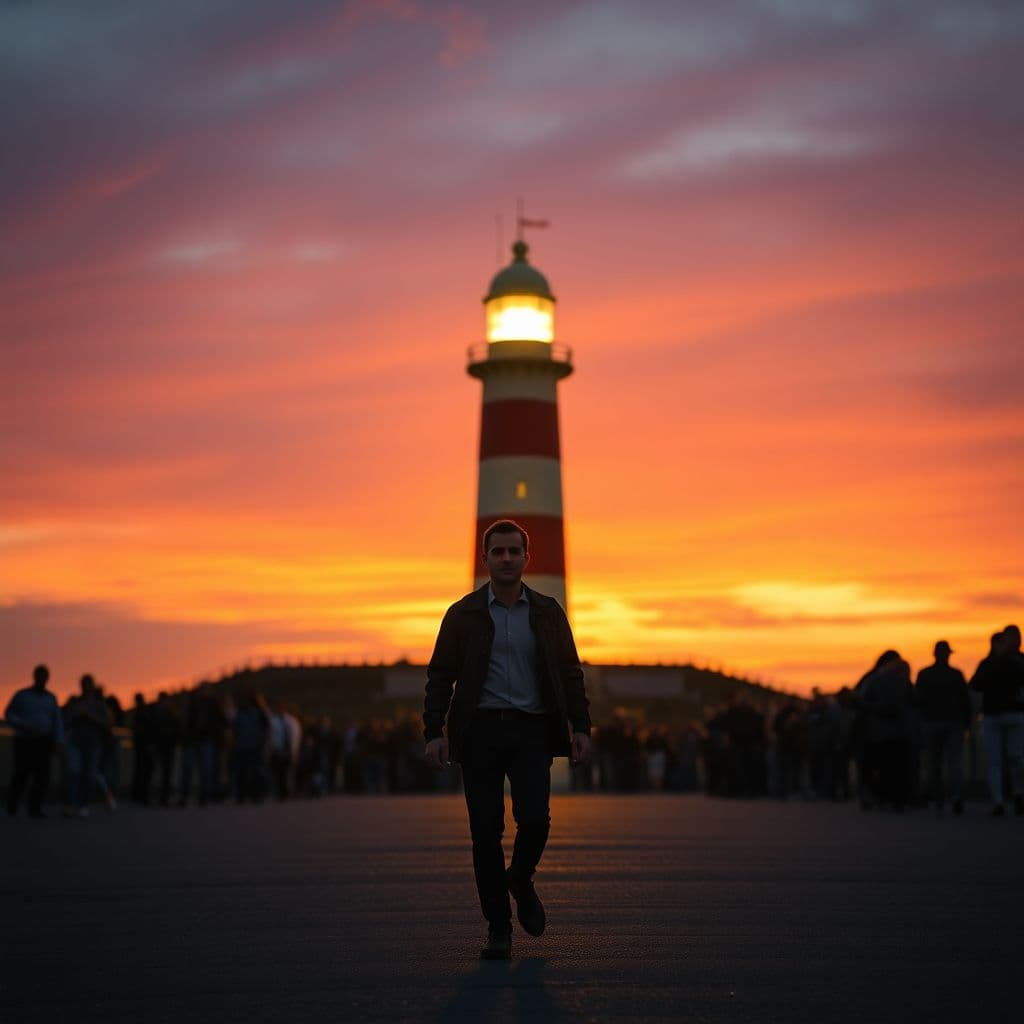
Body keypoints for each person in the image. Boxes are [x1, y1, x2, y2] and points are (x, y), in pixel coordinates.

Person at [423, 519, 592, 960]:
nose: (505, 559)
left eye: (513, 551)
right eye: (497, 552)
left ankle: (520, 877)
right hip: (479, 731)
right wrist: (434, 731)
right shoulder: (463, 614)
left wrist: (581, 727)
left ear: (525, 557)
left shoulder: (548, 612)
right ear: (485, 558)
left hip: (532, 729)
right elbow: (440, 675)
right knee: (485, 833)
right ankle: (498, 927)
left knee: (535, 819)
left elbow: (571, 672)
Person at [970, 626, 1024, 816]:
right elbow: (976, 684)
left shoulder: (1018, 661)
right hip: (994, 715)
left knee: (1016, 758)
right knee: (996, 761)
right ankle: (998, 800)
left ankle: (1018, 794)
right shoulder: (989, 663)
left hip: (1013, 714)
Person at [915, 641, 972, 814]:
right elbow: (965, 701)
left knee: (934, 763)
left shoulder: (924, 674)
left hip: (931, 723)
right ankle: (956, 796)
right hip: (953, 722)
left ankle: (938, 797)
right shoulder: (956, 675)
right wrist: (967, 723)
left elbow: (918, 700)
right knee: (955, 763)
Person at [5, 664, 64, 817]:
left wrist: (58, 740)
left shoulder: (50, 698)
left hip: (44, 741)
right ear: (35, 677)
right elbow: (9, 713)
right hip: (25, 740)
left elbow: (57, 721)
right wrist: (21, 724)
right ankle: (12, 805)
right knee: (21, 773)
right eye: (40, 676)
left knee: (42, 775)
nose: (42, 680)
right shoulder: (22, 695)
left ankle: (35, 807)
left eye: (44, 677)